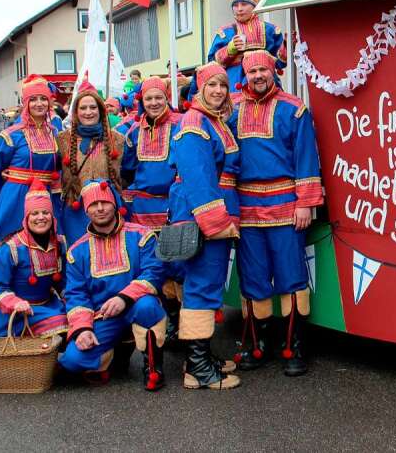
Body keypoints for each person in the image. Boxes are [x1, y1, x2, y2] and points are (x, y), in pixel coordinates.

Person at [229, 51, 323, 376]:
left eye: (263, 70)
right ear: (245, 74)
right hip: (246, 208)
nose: (258, 75)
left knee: (291, 277)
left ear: (273, 72)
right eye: (252, 70)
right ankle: (258, 344)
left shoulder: (293, 108)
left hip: (286, 204)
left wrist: (306, 202)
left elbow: (306, 157)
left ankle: (293, 346)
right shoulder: (233, 110)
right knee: (253, 278)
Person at [169, 62, 241, 390]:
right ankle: (197, 368)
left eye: (222, 86)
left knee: (208, 283)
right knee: (201, 284)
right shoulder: (195, 122)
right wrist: (215, 221)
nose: (217, 91)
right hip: (204, 215)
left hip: (213, 212)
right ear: (198, 89)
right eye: (210, 85)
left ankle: (200, 357)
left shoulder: (213, 121)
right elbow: (198, 175)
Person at [59, 179, 167, 390]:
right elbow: (76, 296)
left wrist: (123, 298)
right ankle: (112, 354)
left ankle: (154, 367)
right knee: (72, 360)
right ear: (85, 210)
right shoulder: (76, 252)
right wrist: (82, 330)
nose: (100, 209)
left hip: (136, 306)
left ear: (115, 204)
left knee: (147, 306)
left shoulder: (141, 235)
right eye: (93, 205)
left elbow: (154, 273)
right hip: (103, 317)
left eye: (105, 203)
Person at [120, 76, 184, 343]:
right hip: (144, 209)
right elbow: (127, 170)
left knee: (178, 264)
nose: (154, 103)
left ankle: (185, 322)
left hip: (174, 205)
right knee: (153, 264)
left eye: (159, 97)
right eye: (149, 98)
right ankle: (164, 321)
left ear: (167, 97)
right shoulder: (133, 132)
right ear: (142, 101)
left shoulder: (181, 124)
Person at [0, 179, 67, 342]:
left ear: (52, 216)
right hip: (15, 314)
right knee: (61, 324)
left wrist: (73, 300)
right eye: (34, 213)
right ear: (26, 218)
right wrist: (14, 303)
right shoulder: (10, 248)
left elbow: (63, 282)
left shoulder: (59, 243)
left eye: (45, 212)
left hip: (48, 306)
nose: (41, 218)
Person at [0, 75, 63, 244]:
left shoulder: (57, 134)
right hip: (15, 197)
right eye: (33, 99)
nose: (39, 103)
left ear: (50, 102)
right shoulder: (10, 135)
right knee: (14, 247)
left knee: (47, 247)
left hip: (47, 197)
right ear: (25, 103)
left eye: (43, 98)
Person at [56, 80, 125, 246]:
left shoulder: (117, 139)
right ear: (76, 112)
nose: (88, 112)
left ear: (101, 111)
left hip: (107, 211)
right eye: (83, 108)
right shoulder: (62, 140)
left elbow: (127, 174)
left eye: (93, 108)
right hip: (75, 209)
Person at [207, 0, 287, 95]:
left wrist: (286, 47)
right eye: (235, 5)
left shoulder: (270, 30)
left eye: (244, 4)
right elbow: (212, 65)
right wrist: (229, 50)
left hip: (266, 86)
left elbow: (280, 63)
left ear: (254, 5)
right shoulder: (225, 33)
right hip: (235, 88)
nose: (239, 9)